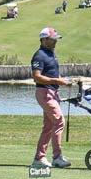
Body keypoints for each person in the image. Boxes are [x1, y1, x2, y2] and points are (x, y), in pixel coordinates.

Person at [31, 27, 72, 168]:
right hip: (45, 93)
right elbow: (37, 77)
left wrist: (63, 81)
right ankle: (57, 157)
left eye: (55, 39)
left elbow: (53, 73)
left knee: (49, 126)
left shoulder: (51, 54)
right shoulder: (39, 55)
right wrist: (57, 81)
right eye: (52, 39)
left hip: (53, 92)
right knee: (59, 121)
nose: (55, 41)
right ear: (43, 40)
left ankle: (39, 157)